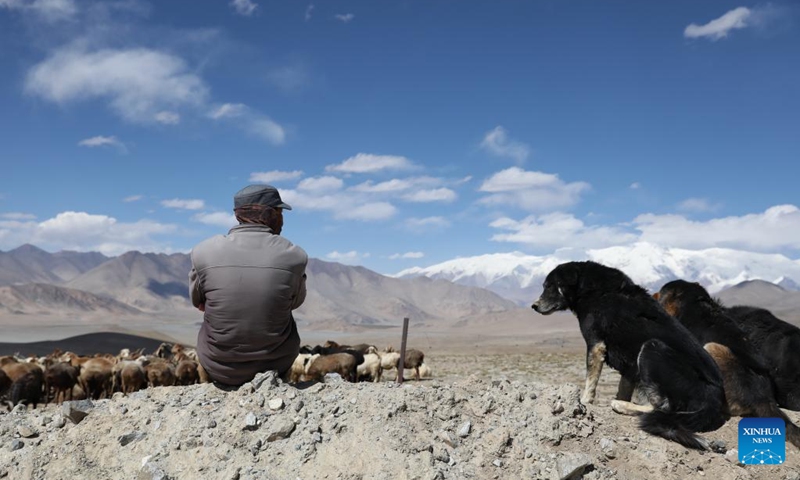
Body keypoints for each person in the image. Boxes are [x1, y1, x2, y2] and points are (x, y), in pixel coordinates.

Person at [189, 184, 308, 387]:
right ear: (269, 214)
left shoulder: (203, 251)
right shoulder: (294, 255)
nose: (283, 220)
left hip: (218, 365)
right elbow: (294, 303)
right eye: (280, 212)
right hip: (276, 364)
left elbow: (197, 301)